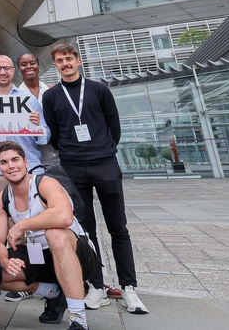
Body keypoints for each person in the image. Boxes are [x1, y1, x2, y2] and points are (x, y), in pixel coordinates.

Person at [40, 43, 148, 314]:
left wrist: (103, 150)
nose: (65, 63)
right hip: (74, 168)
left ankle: (129, 288)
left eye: (68, 58)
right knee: (86, 231)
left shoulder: (99, 89)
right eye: (59, 60)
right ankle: (97, 286)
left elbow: (115, 127)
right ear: (55, 65)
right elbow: (53, 133)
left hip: (104, 164)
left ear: (77, 61)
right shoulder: (51, 96)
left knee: (118, 227)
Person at [0, 141, 98, 330]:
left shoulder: (45, 183)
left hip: (78, 254)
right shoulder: (1, 199)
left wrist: (22, 225)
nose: (11, 166)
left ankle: (78, 319)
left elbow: (64, 216)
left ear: (25, 162)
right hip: (39, 256)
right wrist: (4, 258)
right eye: (4, 162)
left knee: (55, 233)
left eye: (15, 160)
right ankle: (52, 291)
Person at [0, 54, 49, 199]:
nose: (2, 72)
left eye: (6, 68)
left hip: (29, 168)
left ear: (13, 71)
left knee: (35, 214)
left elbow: (45, 137)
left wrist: (37, 127)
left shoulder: (29, 100)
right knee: (4, 215)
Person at [18, 53, 60, 167]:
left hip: (55, 148)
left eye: (32, 63)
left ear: (38, 66)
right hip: (30, 150)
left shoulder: (52, 92)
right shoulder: (15, 98)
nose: (28, 67)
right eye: (23, 64)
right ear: (19, 69)